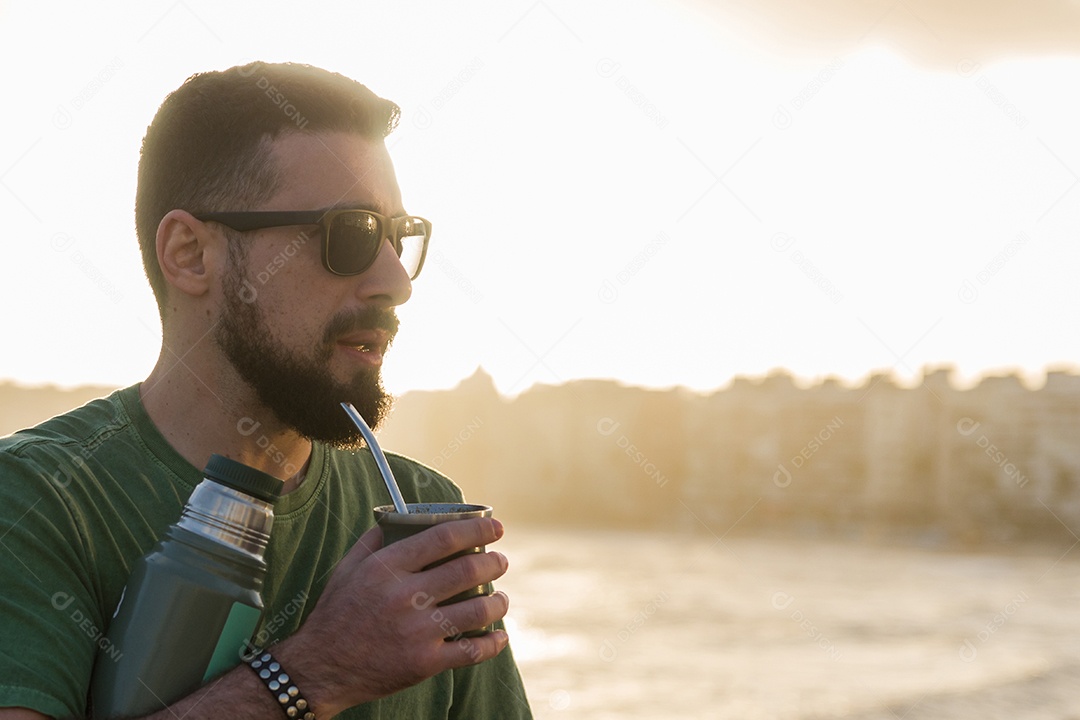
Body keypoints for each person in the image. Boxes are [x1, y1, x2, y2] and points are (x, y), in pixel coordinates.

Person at [0, 62, 532, 719]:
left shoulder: (425, 517)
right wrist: (314, 673)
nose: (396, 281)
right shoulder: (34, 503)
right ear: (191, 254)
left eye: (399, 237)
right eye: (352, 235)